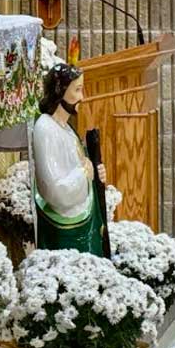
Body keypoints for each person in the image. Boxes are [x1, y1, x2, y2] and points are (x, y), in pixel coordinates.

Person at [32, 63, 108, 256]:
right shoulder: (45, 128)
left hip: (82, 213)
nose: (81, 97)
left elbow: (80, 162)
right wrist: (84, 174)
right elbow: (54, 190)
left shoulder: (66, 127)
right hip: (66, 224)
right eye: (77, 90)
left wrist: (95, 171)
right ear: (60, 91)